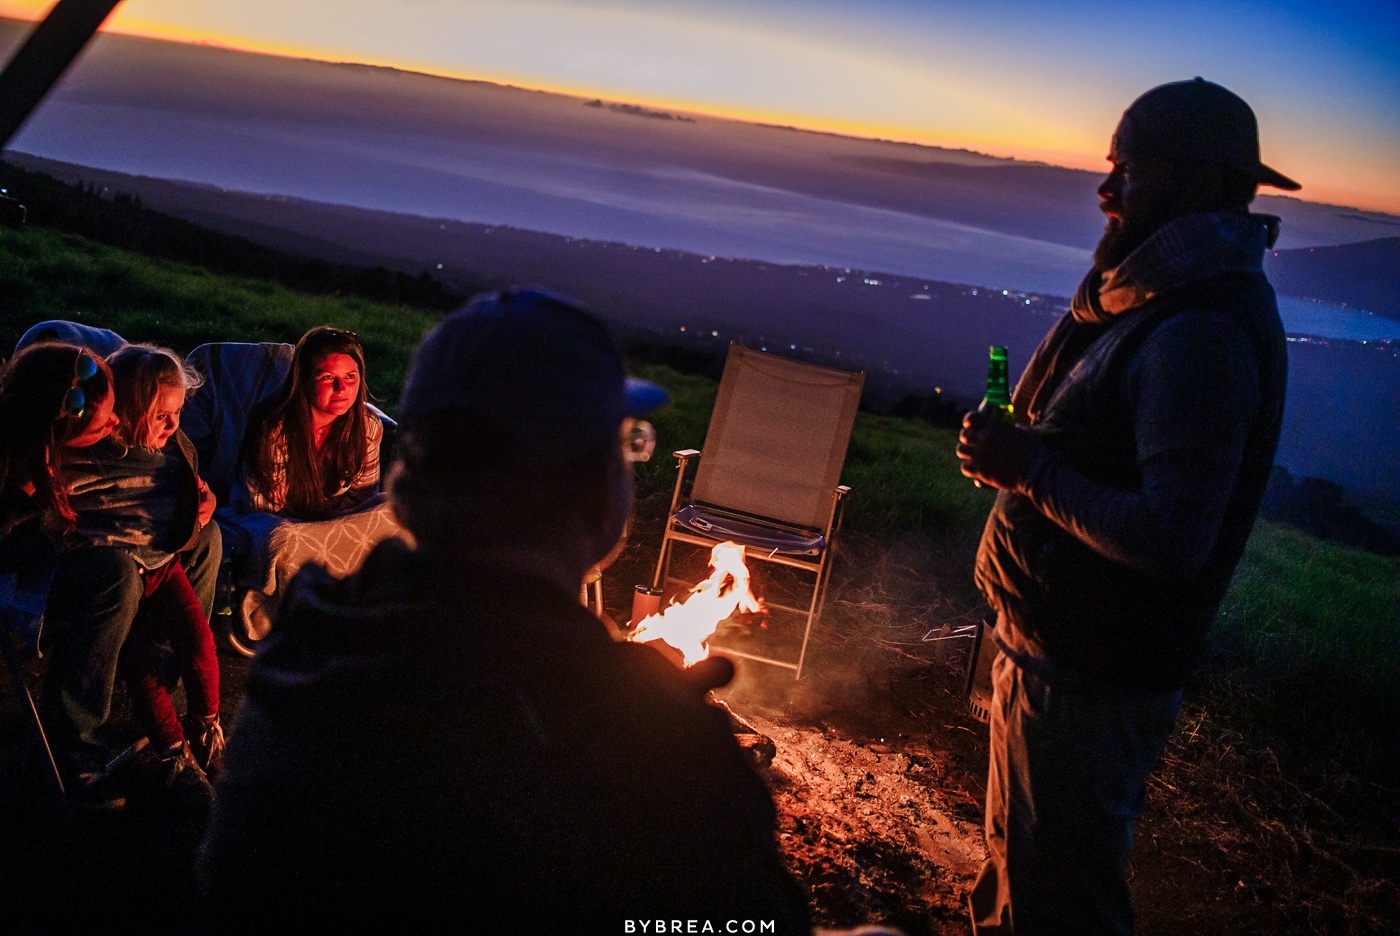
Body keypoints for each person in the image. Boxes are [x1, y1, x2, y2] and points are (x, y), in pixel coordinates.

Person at [199, 289, 812, 933]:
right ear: (593, 489)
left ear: (408, 479)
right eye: (626, 444)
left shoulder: (309, 649)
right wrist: (683, 752)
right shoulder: (649, 742)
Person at [956, 78, 1294, 935]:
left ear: (1200, 186)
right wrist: (1021, 460)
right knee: (1017, 874)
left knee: (1058, 907)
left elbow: (1173, 538)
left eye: (1128, 171)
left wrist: (1028, 471)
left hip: (1089, 684)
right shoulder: (1152, 297)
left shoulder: (1200, 333)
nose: (1105, 191)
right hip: (1051, 657)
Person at [64, 344, 223, 805]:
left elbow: (188, 492)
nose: (173, 425)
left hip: (159, 561)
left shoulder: (171, 446)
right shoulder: (85, 451)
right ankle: (96, 750)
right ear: (126, 410)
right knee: (120, 582)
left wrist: (201, 504)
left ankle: (191, 719)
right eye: (160, 416)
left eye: (177, 414)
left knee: (208, 542)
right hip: (101, 568)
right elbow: (56, 508)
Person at [234, 326, 380, 520]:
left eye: (350, 377)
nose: (341, 389)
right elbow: (267, 511)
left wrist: (332, 529)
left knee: (388, 506)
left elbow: (363, 500)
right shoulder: (274, 430)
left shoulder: (367, 425)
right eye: (328, 378)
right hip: (282, 526)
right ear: (303, 379)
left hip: (338, 523)